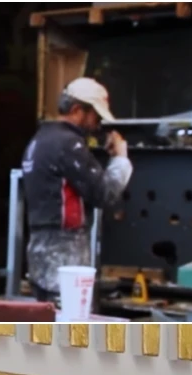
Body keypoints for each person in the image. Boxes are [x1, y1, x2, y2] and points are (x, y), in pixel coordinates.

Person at [20, 77, 133, 302]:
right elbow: (105, 193)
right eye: (96, 115)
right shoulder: (68, 144)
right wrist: (120, 158)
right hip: (64, 254)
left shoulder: (40, 140)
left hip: (40, 252)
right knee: (68, 327)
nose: (99, 123)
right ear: (77, 110)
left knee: (47, 323)